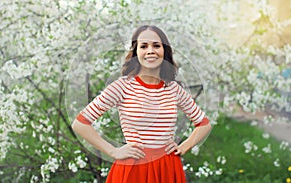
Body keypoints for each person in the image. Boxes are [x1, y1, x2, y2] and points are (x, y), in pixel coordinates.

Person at [71, 25, 212, 183]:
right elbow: (80, 123)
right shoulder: (122, 86)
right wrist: (113, 151)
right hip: (133, 167)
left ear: (164, 51)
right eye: (144, 46)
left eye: (156, 45)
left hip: (167, 167)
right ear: (135, 52)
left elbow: (204, 124)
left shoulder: (174, 89)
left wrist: (184, 146)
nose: (150, 51)